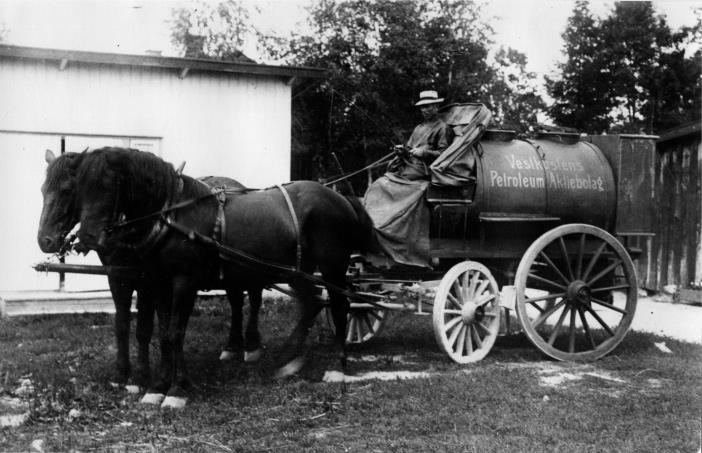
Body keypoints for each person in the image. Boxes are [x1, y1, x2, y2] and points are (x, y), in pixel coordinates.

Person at [390, 90, 455, 180]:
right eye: (421, 107)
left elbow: (445, 155)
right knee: (386, 178)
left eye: (426, 106)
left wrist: (424, 153)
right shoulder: (418, 128)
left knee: (400, 183)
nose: (423, 110)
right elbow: (409, 149)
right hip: (410, 166)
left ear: (436, 107)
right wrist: (402, 151)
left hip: (426, 169)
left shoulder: (443, 128)